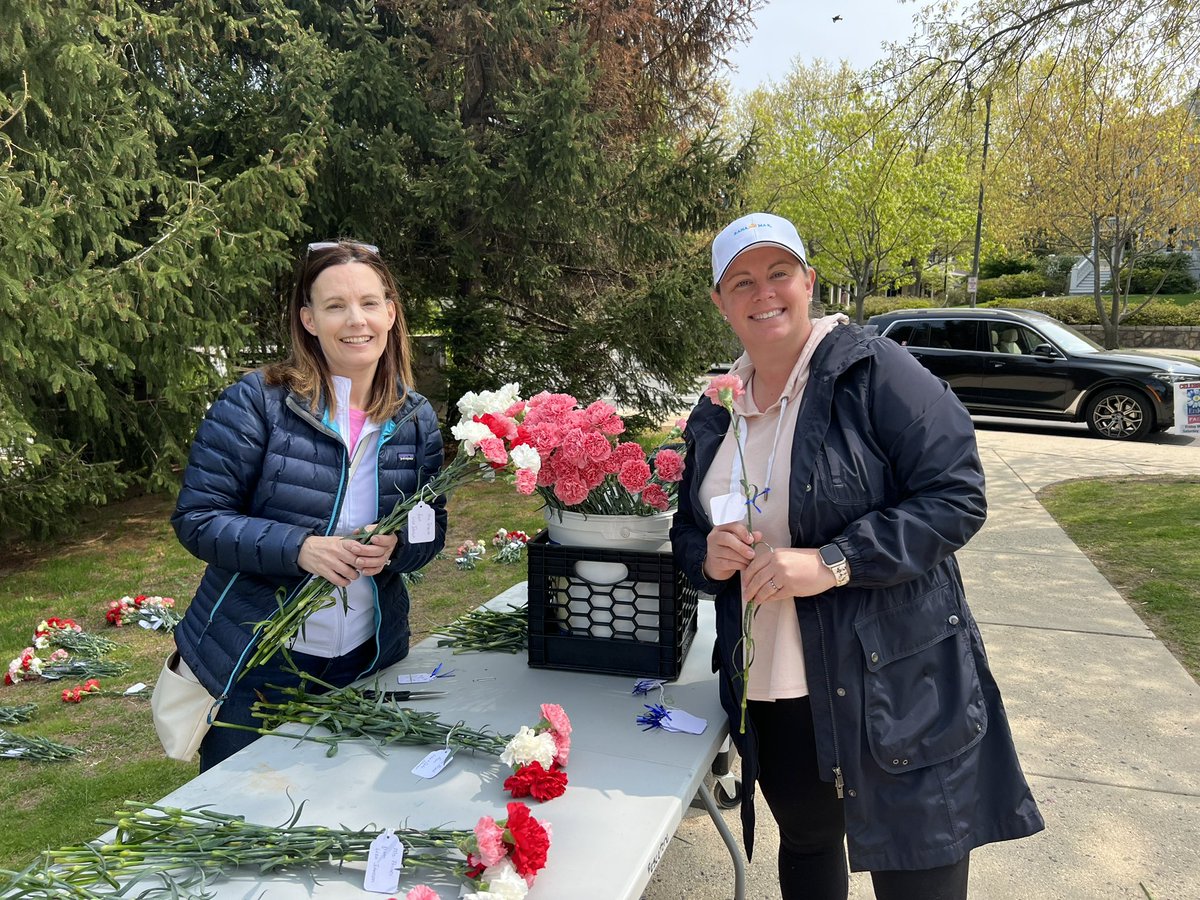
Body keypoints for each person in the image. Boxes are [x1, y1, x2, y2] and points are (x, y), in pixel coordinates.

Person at [671, 213, 1044, 899]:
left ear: (808, 281)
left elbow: (956, 496)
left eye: (778, 273)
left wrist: (833, 562)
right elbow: (686, 534)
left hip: (893, 685)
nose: (764, 294)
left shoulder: (874, 372)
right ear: (721, 303)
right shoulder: (718, 408)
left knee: (917, 860)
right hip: (775, 693)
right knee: (809, 847)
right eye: (742, 281)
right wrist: (709, 558)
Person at [171, 240, 447, 771]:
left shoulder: (415, 417)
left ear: (391, 313)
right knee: (244, 820)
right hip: (259, 662)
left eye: (369, 302)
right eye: (335, 306)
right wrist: (299, 549)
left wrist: (396, 548)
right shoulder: (257, 403)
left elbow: (430, 527)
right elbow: (198, 519)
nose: (355, 320)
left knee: (350, 813)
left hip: (367, 659)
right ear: (309, 320)